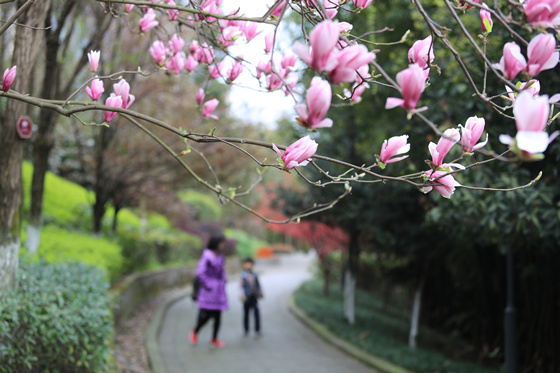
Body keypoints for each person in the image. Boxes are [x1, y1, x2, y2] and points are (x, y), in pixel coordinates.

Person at [190, 235, 228, 348]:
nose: (222, 245)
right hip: (209, 291)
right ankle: (195, 331)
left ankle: (214, 339)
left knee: (218, 315)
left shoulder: (221, 256)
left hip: (219, 290)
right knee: (207, 315)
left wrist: (223, 279)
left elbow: (222, 271)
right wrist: (208, 284)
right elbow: (200, 273)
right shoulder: (207, 256)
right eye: (221, 243)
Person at [239, 258, 263, 336]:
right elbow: (240, 286)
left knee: (256, 312)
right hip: (246, 297)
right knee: (246, 313)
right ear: (244, 265)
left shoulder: (255, 274)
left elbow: (258, 285)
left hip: (254, 296)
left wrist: (260, 293)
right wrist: (242, 295)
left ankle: (257, 329)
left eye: (250, 264)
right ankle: (246, 329)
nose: (248, 265)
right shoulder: (243, 275)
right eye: (247, 264)